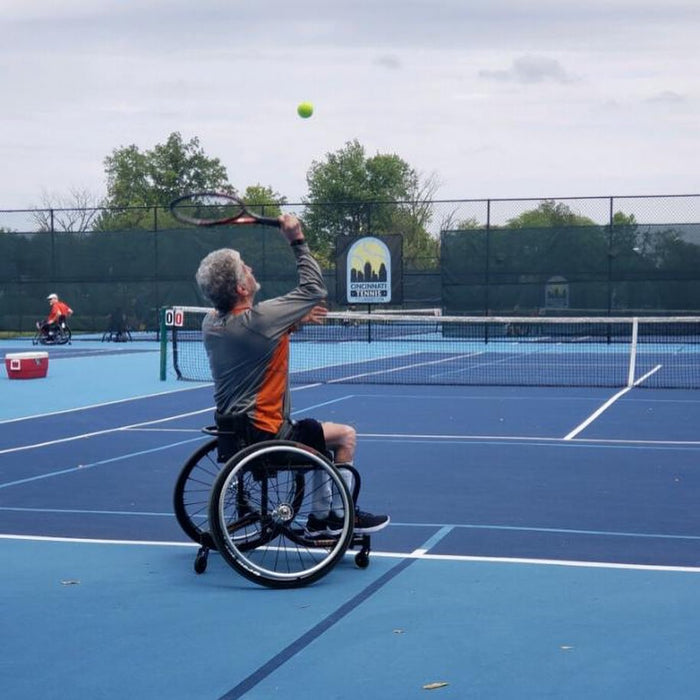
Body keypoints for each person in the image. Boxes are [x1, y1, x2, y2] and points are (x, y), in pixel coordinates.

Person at [195, 214, 389, 537]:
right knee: (345, 436)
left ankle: (321, 516)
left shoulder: (211, 325)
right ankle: (337, 516)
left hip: (234, 433)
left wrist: (293, 321)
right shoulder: (260, 320)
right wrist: (296, 238)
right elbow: (315, 289)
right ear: (242, 288)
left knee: (316, 435)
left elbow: (258, 343)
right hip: (269, 434)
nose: (251, 269)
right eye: (245, 267)